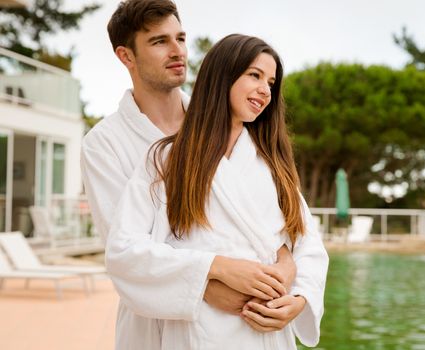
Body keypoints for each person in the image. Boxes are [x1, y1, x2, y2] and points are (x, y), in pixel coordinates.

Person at [80, 1, 308, 349]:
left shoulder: (232, 125)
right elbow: (124, 248)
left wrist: (290, 273)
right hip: (165, 329)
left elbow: (295, 224)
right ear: (126, 56)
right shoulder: (105, 145)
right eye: (159, 42)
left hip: (259, 322)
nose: (178, 52)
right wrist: (211, 281)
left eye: (181, 38)